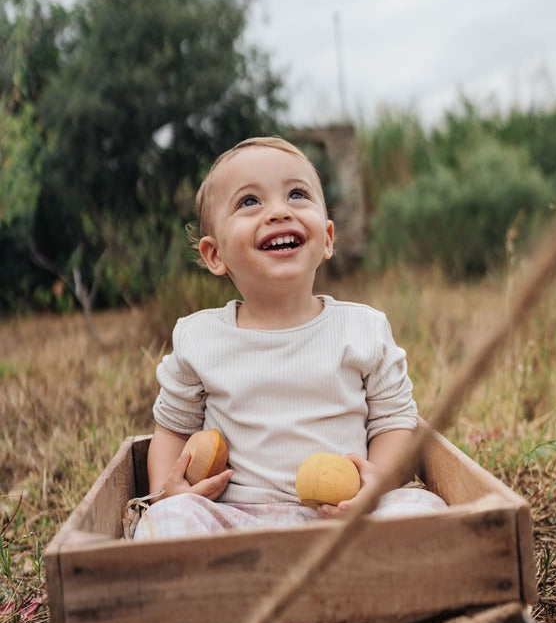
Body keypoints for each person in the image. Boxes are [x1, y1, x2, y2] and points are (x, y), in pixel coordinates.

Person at [134, 136, 447, 540]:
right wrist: (167, 493)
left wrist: (376, 485)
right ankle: (220, 591)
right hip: (234, 523)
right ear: (215, 255)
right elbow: (172, 429)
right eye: (250, 202)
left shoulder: (363, 330)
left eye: (297, 194)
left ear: (328, 238)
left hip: (341, 516)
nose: (279, 211)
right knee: (164, 524)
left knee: (426, 511)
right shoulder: (201, 338)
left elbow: (394, 423)